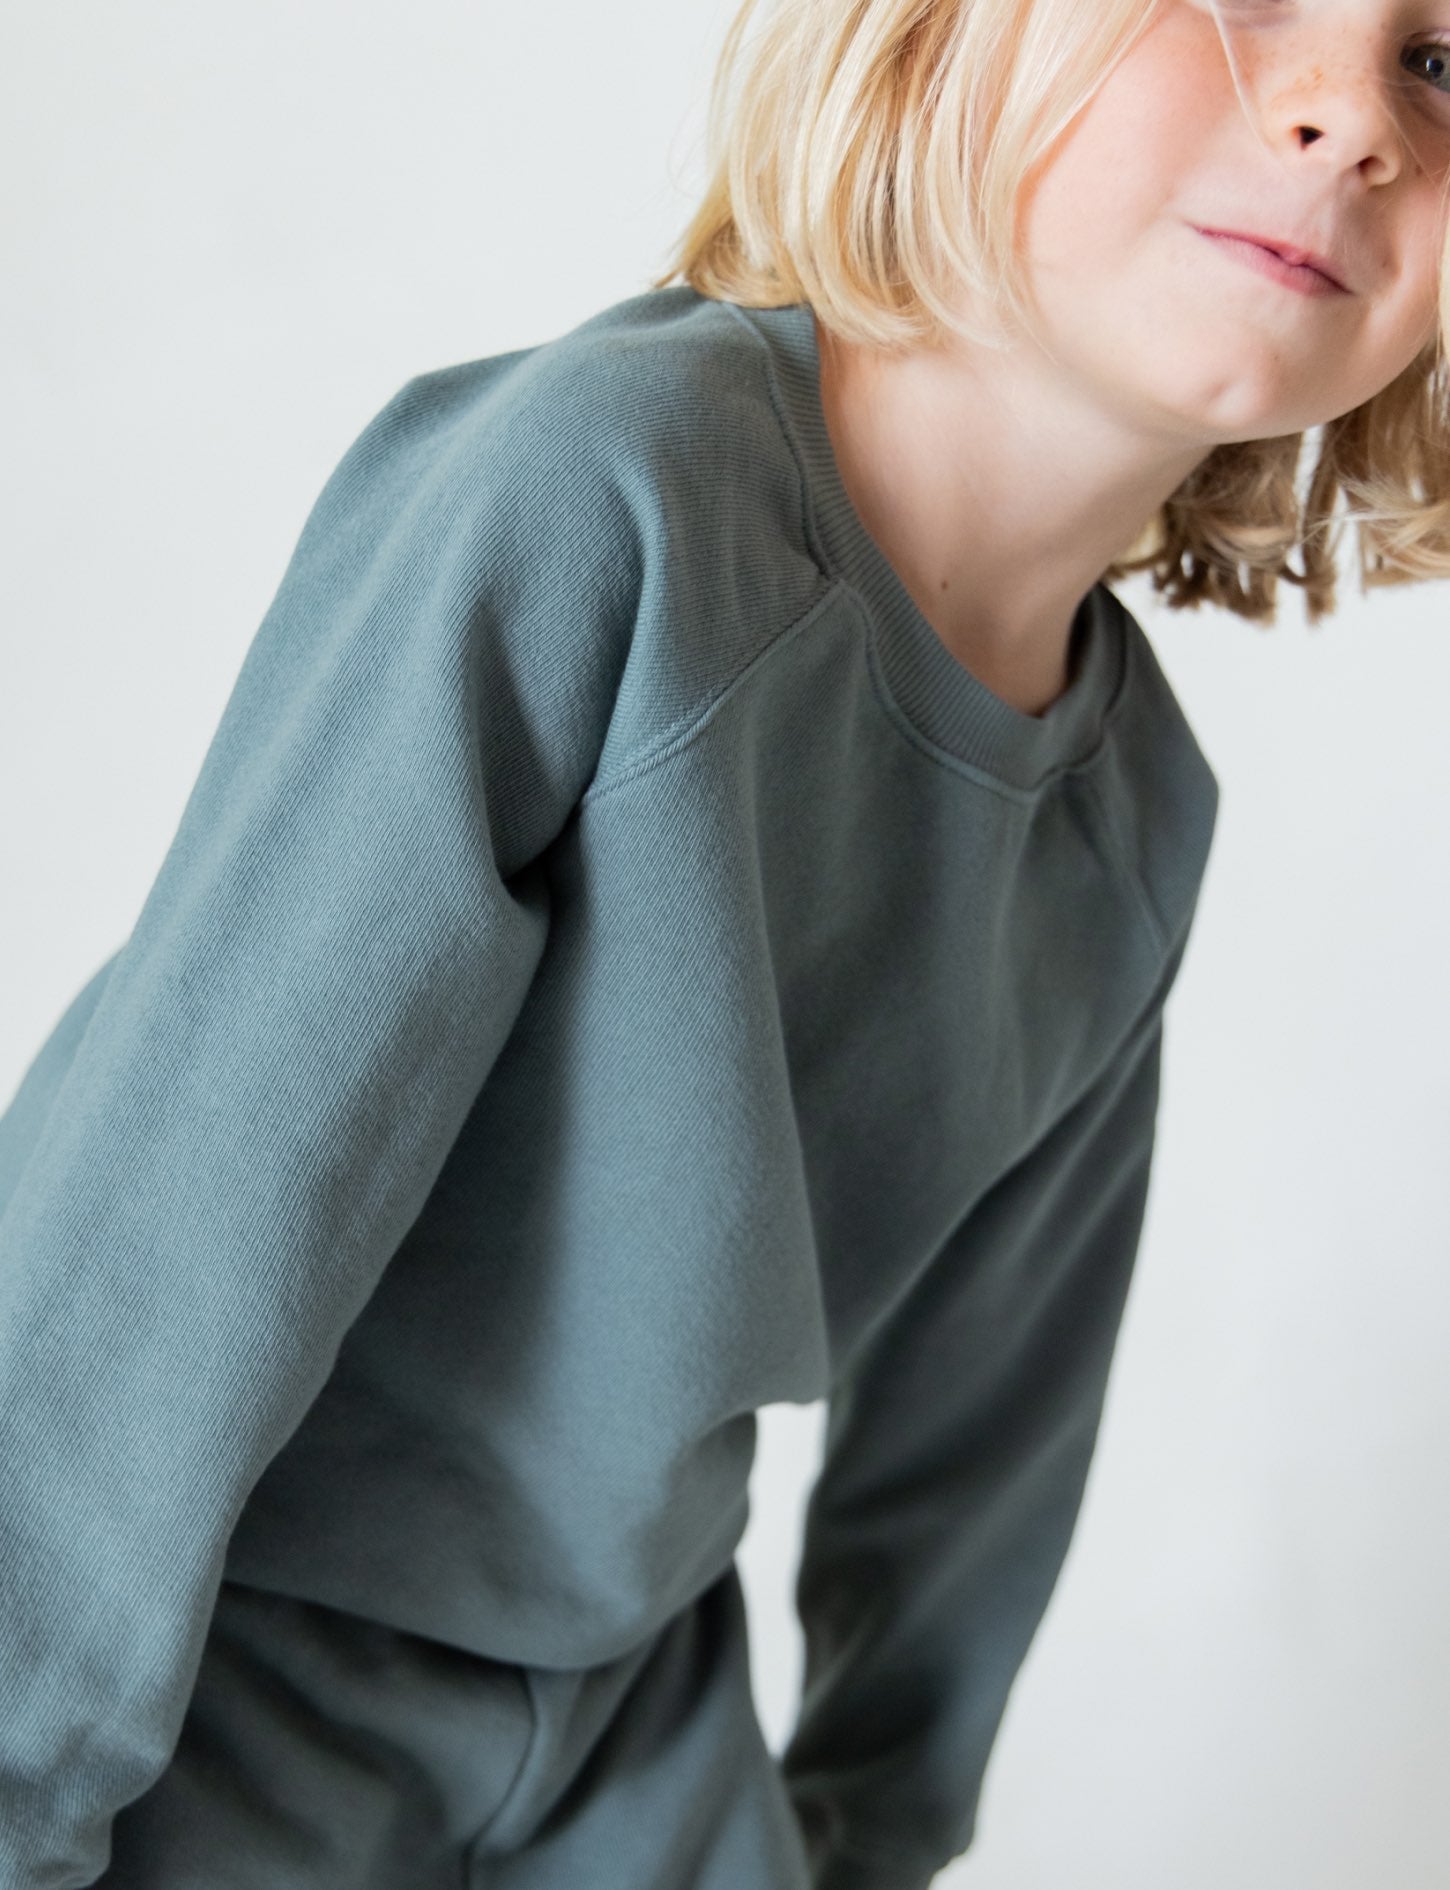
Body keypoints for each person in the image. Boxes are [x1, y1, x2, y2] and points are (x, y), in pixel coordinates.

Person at [3, 2, 1448, 1886]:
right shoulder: (600, 493)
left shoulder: (1130, 819)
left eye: (1441, 54)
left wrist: (854, 1845)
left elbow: (980, 1452)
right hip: (217, 1679)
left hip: (624, 1721)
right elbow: (168, 1215)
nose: (1352, 116)